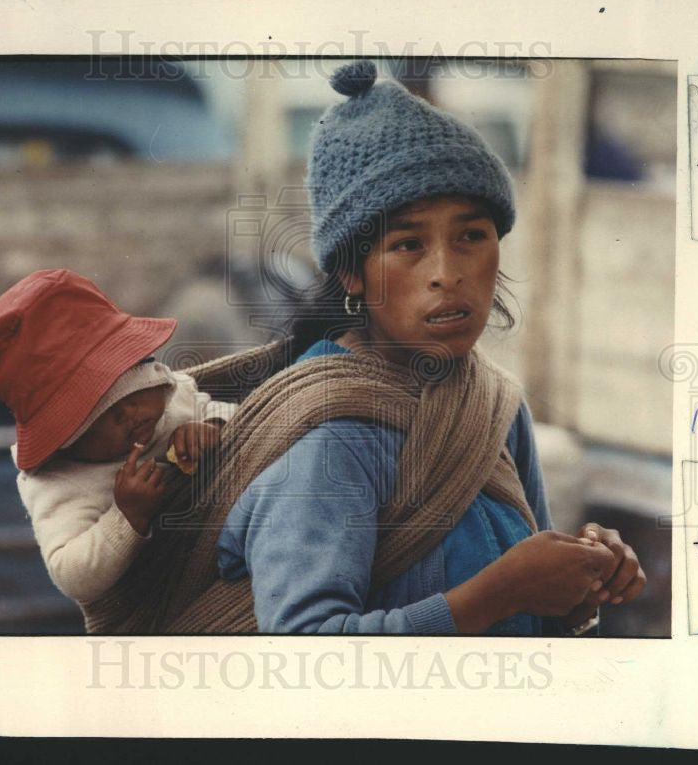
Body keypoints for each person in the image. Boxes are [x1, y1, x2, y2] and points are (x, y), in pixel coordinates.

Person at [197, 60, 645, 634]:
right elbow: (306, 657)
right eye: (408, 243)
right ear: (353, 274)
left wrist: (581, 580)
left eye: (471, 236)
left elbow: (529, 614)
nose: (447, 272)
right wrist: (503, 590)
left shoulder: (493, 406)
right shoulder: (330, 437)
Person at [0, 268, 237, 605]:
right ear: (65, 439)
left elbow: (242, 418)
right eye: (104, 416)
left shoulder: (174, 394)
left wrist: (211, 426)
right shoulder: (61, 483)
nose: (131, 416)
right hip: (165, 601)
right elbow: (71, 574)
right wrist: (125, 517)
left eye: (136, 394)